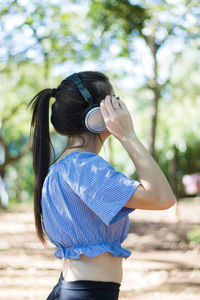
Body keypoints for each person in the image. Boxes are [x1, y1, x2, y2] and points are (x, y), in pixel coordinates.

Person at [27, 71, 176, 300]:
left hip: (76, 290)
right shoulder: (84, 168)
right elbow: (162, 197)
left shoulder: (61, 168)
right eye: (113, 101)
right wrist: (128, 136)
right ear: (96, 115)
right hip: (88, 293)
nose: (120, 107)